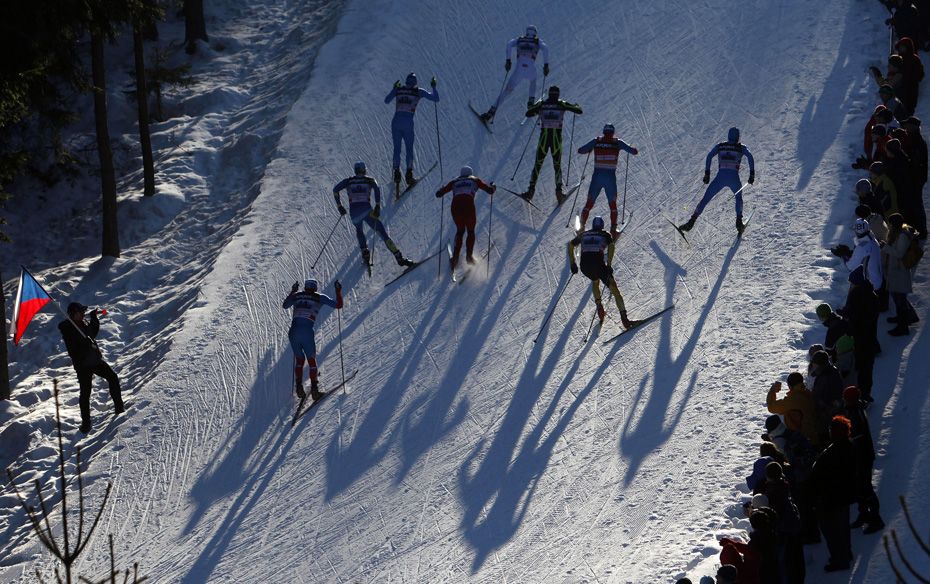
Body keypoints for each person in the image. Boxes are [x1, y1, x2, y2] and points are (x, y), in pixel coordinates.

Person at [333, 161, 415, 270]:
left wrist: (339, 206)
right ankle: (399, 257)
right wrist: (377, 205)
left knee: (359, 230)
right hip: (367, 210)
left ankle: (365, 251)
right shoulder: (369, 180)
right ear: (364, 170)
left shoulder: (348, 181)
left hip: (354, 213)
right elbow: (377, 189)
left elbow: (335, 190)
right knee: (382, 232)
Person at [59, 302, 124, 434]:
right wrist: (85, 344)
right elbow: (73, 350)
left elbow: (92, 333)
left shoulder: (83, 324)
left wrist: (94, 318)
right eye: (81, 312)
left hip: (94, 360)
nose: (83, 314)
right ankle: (86, 424)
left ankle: (119, 408)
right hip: (83, 365)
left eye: (84, 311)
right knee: (86, 393)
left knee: (112, 377)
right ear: (73, 313)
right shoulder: (68, 329)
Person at [679, 127, 755, 235]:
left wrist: (707, 173)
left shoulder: (720, 146)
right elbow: (750, 157)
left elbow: (709, 156)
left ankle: (691, 222)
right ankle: (739, 222)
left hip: (720, 177)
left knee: (705, 199)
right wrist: (752, 174)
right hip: (734, 177)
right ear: (738, 137)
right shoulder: (741, 147)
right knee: (738, 198)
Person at [567, 216, 633, 327]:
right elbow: (611, 246)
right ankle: (625, 319)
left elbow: (571, 244)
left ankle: (599, 307)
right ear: (602, 226)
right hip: (599, 265)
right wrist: (609, 264)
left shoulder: (584, 234)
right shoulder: (605, 234)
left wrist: (573, 263)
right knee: (614, 289)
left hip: (585, 267)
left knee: (595, 280)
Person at [282, 279, 343, 400]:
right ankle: (315, 389)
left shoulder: (297, 295)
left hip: (293, 332)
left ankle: (299, 386)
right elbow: (339, 305)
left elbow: (285, 305)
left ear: (305, 287)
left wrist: (293, 291)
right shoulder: (319, 297)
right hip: (306, 332)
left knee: (299, 359)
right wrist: (338, 290)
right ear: (315, 288)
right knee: (311, 360)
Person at [810, 416, 857, 573]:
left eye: (831, 429)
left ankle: (839, 559)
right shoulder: (849, 447)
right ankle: (846, 553)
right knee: (843, 527)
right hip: (843, 496)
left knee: (832, 531)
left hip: (829, 498)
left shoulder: (832, 452)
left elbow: (819, 475)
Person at [520, 85, 582, 204]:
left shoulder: (542, 104)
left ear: (549, 94)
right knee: (557, 166)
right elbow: (579, 110)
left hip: (543, 140)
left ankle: (530, 192)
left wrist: (537, 110)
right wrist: (576, 105)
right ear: (558, 94)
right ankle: (559, 194)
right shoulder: (561, 103)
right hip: (556, 141)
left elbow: (528, 113)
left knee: (537, 165)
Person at [576, 124, 639, 235]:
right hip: (610, 178)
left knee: (589, 203)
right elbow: (634, 152)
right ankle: (613, 230)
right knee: (612, 204)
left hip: (597, 177)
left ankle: (582, 227)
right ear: (613, 132)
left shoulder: (597, 141)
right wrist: (631, 148)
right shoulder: (617, 142)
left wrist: (590, 149)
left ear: (604, 132)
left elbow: (580, 150)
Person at [479, 25, 550, 123]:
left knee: (507, 91)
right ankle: (531, 102)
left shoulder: (519, 40)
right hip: (530, 68)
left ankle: (491, 112)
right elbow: (545, 48)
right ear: (535, 33)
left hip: (519, 69)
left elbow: (509, 44)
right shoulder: (537, 42)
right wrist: (546, 65)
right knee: (533, 81)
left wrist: (508, 60)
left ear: (526, 32)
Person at [435, 166, 496, 270]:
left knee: (460, 231)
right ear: (470, 174)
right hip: (468, 206)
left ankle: (455, 259)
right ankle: (469, 257)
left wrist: (441, 190)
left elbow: (439, 194)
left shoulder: (454, 181)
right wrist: (493, 186)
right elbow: (490, 191)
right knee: (470, 231)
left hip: (456, 207)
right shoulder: (475, 179)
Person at [842, 386, 885, 534]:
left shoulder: (856, 413)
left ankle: (876, 519)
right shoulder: (855, 409)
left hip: (863, 456)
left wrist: (847, 437)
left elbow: (856, 435)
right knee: (859, 486)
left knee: (865, 487)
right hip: (859, 455)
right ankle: (864, 513)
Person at [384, 73, 439, 187]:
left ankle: (396, 173)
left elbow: (386, 100)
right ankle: (409, 175)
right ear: (415, 82)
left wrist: (394, 89)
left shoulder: (399, 89)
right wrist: (433, 86)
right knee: (409, 148)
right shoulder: (418, 91)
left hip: (396, 121)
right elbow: (436, 98)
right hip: (408, 122)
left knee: (397, 149)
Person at [839, 267, 880, 402]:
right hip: (869, 338)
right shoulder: (870, 294)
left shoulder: (858, 296)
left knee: (863, 369)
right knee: (867, 369)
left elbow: (856, 318)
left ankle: (863, 396)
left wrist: (845, 316)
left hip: (862, 339)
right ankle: (865, 394)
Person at [884, 213, 921, 335]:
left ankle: (903, 327)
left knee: (900, 300)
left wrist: (884, 247)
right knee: (897, 297)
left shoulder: (902, 236)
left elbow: (899, 253)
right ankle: (909, 317)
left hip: (900, 271)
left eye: (890, 223)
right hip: (896, 271)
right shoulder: (898, 233)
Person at [766, 373, 819, 448]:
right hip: (814, 436)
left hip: (802, 440)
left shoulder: (793, 400)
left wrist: (772, 391)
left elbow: (771, 407)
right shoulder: (808, 394)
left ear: (790, 386)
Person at [831, 218, 884, 291]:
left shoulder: (862, 247)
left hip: (871, 285)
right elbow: (864, 257)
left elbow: (850, 266)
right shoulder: (873, 241)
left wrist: (843, 255)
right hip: (878, 280)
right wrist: (849, 252)